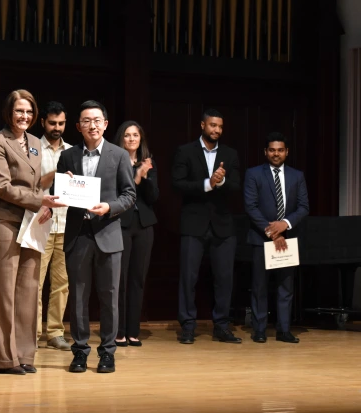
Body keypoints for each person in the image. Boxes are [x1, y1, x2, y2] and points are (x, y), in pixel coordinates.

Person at [0, 89, 66, 375]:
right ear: (9, 112)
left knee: (29, 290)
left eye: (29, 112)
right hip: (3, 223)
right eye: (20, 111)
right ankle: (3, 359)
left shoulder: (34, 142)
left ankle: (24, 355)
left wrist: (52, 190)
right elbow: (1, 186)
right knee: (4, 293)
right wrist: (38, 199)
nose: (25, 116)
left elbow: (34, 184)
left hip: (32, 223)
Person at [57, 100, 136, 373]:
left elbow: (129, 195)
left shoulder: (119, 155)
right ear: (78, 127)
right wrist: (64, 185)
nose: (92, 125)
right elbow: (60, 194)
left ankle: (107, 353)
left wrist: (109, 208)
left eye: (97, 120)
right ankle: (79, 351)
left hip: (108, 233)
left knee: (109, 296)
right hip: (78, 235)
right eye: (86, 121)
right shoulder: (68, 156)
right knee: (78, 297)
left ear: (105, 124)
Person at [171, 108, 241, 344]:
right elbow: (178, 184)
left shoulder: (230, 154)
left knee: (224, 278)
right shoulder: (185, 151)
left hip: (223, 225)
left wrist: (221, 183)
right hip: (193, 224)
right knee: (188, 278)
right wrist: (207, 184)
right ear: (203, 126)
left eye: (220, 127)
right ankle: (188, 326)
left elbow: (237, 186)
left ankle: (222, 325)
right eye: (213, 125)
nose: (217, 130)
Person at [244, 132, 309, 344]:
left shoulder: (296, 176)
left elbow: (303, 207)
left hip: (288, 239)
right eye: (272, 150)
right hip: (261, 238)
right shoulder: (253, 174)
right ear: (265, 152)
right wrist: (273, 231)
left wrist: (285, 225)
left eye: (280, 150)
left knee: (285, 287)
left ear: (287, 152)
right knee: (260, 287)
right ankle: (260, 330)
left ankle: (283, 330)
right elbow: (250, 207)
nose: (276, 153)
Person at [112, 121, 159, 347]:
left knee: (138, 279)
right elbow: (118, 193)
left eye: (136, 135)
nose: (132, 139)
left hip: (144, 225)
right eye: (128, 135)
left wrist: (145, 176)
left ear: (141, 139)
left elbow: (153, 197)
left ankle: (133, 331)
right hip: (121, 224)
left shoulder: (148, 162)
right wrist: (136, 177)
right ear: (121, 138)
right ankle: (119, 332)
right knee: (119, 280)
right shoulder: (114, 161)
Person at [36, 101, 72, 351]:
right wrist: (55, 176)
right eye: (52, 123)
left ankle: (55, 332)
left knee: (62, 283)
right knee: (34, 283)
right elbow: (30, 185)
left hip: (67, 224)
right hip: (41, 223)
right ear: (43, 123)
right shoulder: (33, 148)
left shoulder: (73, 151)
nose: (57, 128)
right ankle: (32, 332)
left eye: (61, 123)